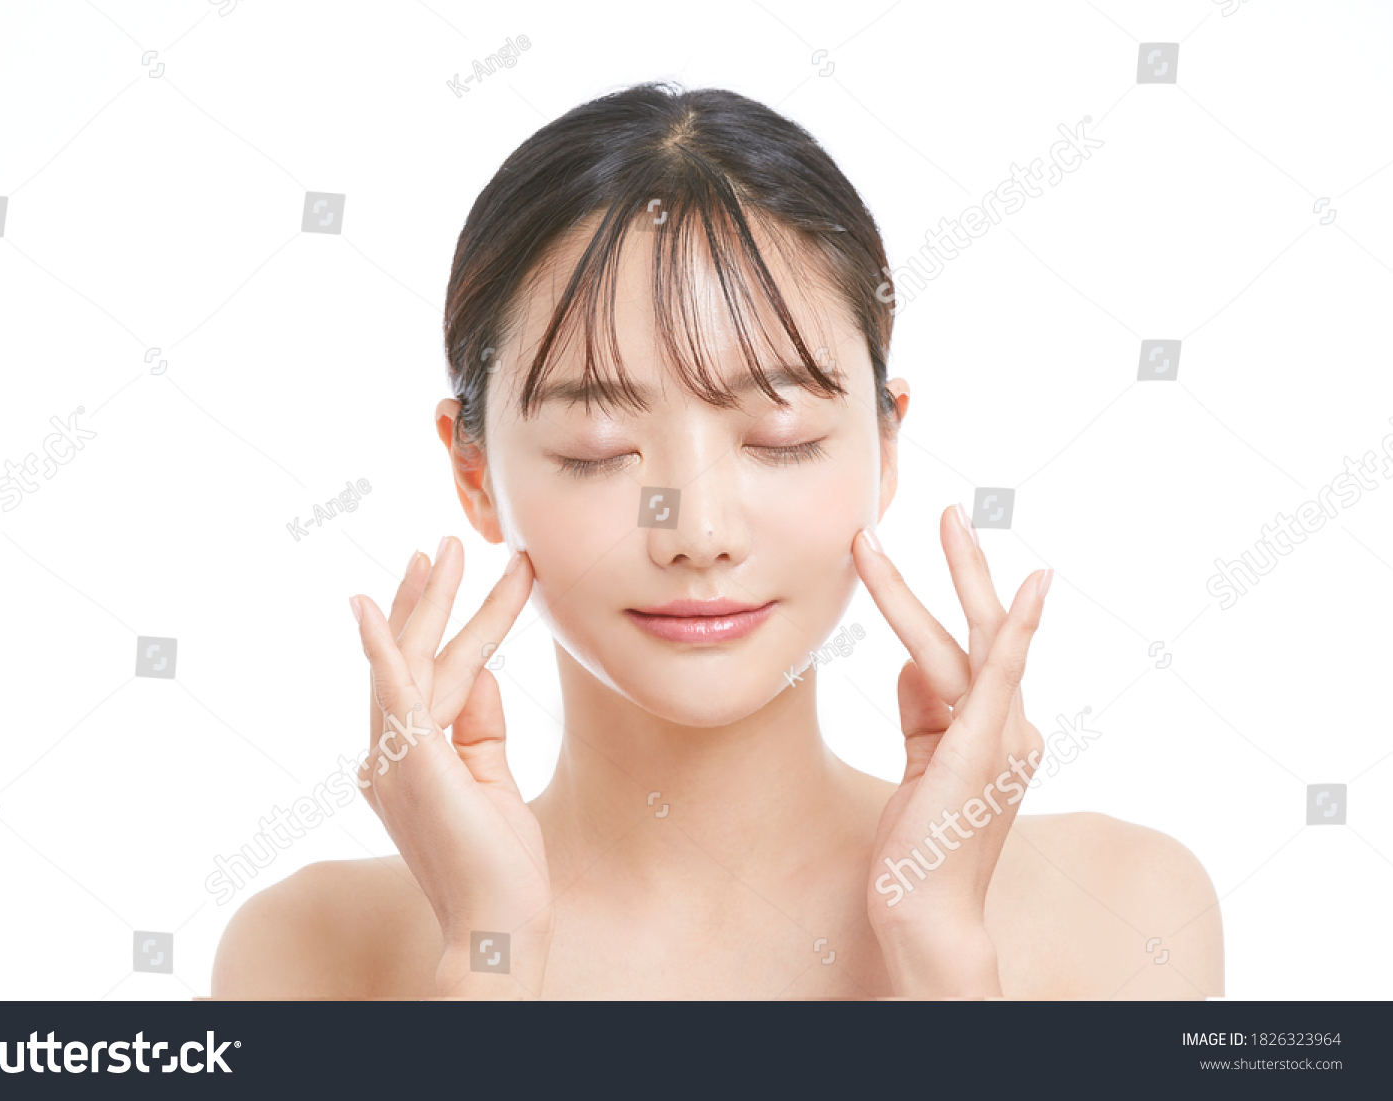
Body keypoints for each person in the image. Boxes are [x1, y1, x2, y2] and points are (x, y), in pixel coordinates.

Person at [211, 82, 1223, 999]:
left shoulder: (1126, 917)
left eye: (778, 438)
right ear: (472, 470)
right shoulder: (307, 953)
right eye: (599, 446)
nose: (696, 533)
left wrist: (942, 951)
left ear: (884, 442)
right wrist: (489, 952)